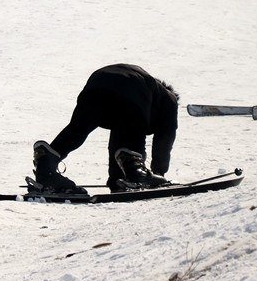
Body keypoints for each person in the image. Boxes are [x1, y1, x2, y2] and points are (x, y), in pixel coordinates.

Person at [32, 64, 179, 193]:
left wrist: (116, 179)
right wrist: (158, 173)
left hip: (96, 85)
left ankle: (46, 170)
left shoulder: (149, 92)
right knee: (133, 132)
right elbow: (165, 138)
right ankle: (137, 174)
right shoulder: (169, 100)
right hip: (131, 86)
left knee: (78, 129)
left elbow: (117, 143)